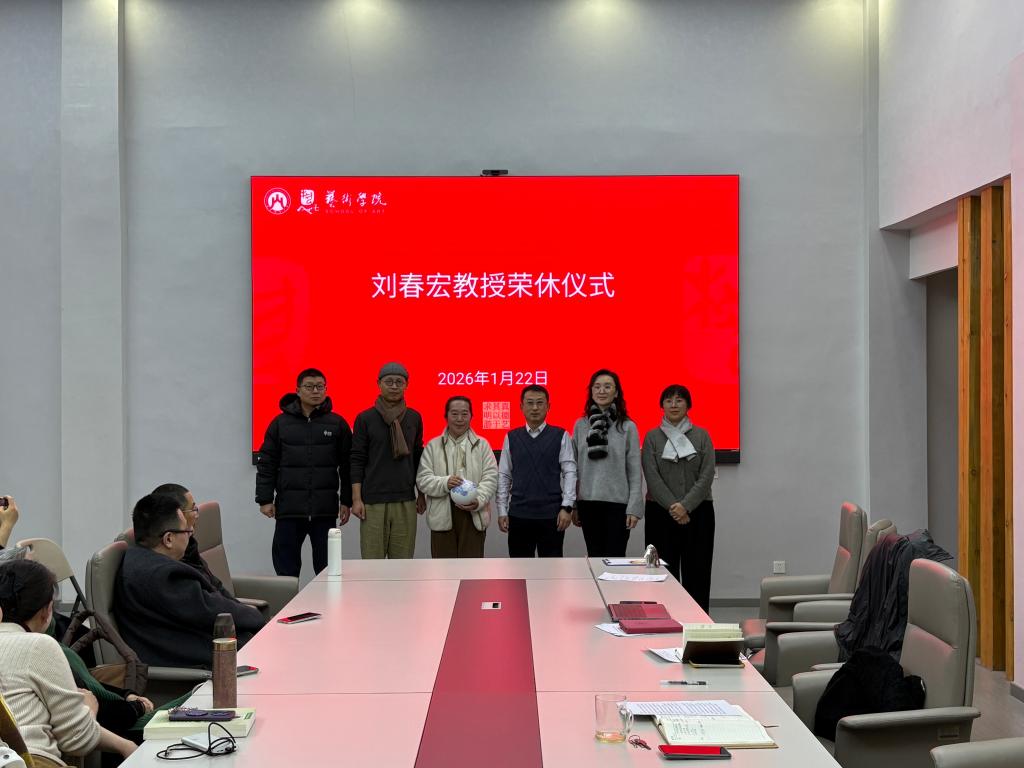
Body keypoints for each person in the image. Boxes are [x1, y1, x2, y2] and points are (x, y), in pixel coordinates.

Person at [0, 560, 137, 766]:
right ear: (47, 611)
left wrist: (124, 745)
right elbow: (77, 739)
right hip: (31, 761)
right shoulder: (39, 645)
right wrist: (89, 709)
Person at [114, 494, 264, 668]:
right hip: (191, 665)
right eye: (186, 530)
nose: (191, 533)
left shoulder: (139, 559)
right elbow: (212, 610)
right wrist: (258, 619)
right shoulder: (165, 576)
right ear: (168, 539)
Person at [255, 367, 353, 577]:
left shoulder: (337, 424)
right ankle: (289, 600)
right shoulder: (280, 424)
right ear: (298, 390)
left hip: (324, 511)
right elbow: (267, 463)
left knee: (327, 569)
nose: (315, 391)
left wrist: (346, 501)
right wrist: (265, 499)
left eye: (320, 386)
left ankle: (328, 600)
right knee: (286, 570)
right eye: (309, 386)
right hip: (289, 510)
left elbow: (347, 466)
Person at [641, 384, 716, 612]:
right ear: (662, 405)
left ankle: (698, 620)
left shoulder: (702, 436)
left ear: (688, 405)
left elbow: (707, 474)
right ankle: (663, 620)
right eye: (668, 400)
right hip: (660, 512)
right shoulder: (652, 437)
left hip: (699, 512)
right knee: (662, 572)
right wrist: (674, 507)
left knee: (698, 572)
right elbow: (651, 476)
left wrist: (686, 506)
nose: (674, 405)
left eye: (679, 400)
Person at [350, 362, 425, 559]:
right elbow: (357, 459)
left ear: (406, 385)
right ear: (379, 384)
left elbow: (418, 458)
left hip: (405, 499)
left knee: (402, 562)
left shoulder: (414, 417)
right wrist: (356, 499)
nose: (394, 386)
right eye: (389, 381)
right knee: (372, 562)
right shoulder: (365, 418)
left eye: (399, 382)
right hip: (372, 502)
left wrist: (421, 494)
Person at [496, 385, 577, 558]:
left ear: (548, 407)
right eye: (530, 403)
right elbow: (504, 475)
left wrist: (567, 507)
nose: (534, 408)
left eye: (540, 403)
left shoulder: (561, 435)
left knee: (552, 569)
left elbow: (570, 473)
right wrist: (502, 510)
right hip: (518, 515)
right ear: (521, 406)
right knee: (519, 568)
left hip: (552, 516)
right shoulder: (511, 437)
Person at [571, 370, 643, 557]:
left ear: (616, 392)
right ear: (591, 392)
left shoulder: (627, 426)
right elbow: (574, 468)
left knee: (615, 559)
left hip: (618, 504)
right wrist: (574, 505)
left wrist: (634, 507)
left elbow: (635, 471)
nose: (601, 391)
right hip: (587, 502)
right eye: (597, 387)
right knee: (595, 557)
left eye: (607, 386)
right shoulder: (580, 425)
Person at [417, 396, 498, 558]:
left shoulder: (482, 445)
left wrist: (478, 499)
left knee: (472, 568)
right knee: (443, 568)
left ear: (471, 416)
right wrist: (445, 483)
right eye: (454, 414)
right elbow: (422, 479)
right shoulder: (433, 446)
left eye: (464, 414)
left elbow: (491, 477)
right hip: (442, 514)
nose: (459, 419)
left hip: (473, 514)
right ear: (446, 416)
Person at [152, 483, 231, 598]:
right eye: (193, 509)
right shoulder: (173, 568)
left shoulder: (190, 548)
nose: (197, 515)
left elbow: (217, 588)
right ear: (178, 515)